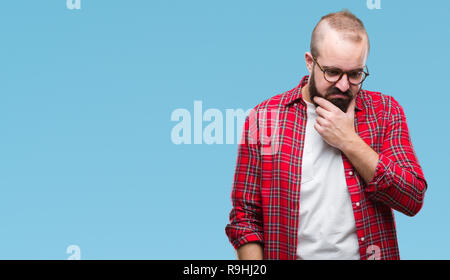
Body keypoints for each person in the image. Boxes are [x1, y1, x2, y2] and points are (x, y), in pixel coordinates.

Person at [225, 9, 427, 260]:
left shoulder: (385, 112)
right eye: (332, 72)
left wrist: (349, 141)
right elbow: (246, 217)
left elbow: (412, 197)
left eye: (355, 75)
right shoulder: (264, 118)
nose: (344, 85)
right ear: (310, 62)